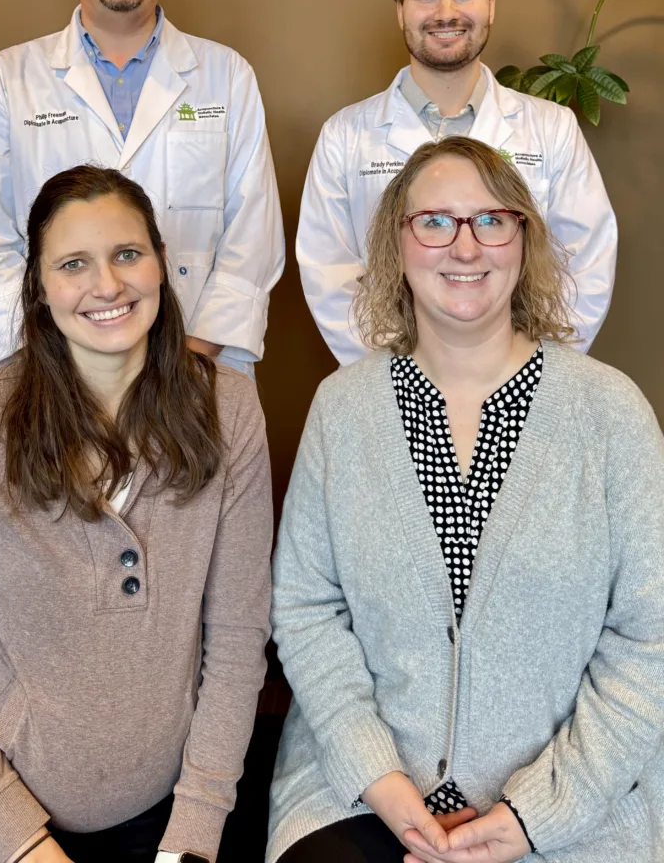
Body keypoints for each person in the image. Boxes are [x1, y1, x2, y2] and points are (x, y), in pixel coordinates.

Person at [268, 136, 664, 863]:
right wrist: (380, 780)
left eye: (491, 220)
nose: (465, 246)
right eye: (435, 221)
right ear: (397, 241)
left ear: (524, 237)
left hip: (573, 806)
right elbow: (305, 609)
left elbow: (651, 639)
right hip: (363, 793)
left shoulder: (611, 415)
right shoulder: (342, 412)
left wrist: (535, 815)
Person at [0, 166, 273, 863]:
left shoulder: (230, 411)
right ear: (39, 288)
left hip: (170, 810)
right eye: (75, 264)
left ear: (161, 262)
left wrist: (191, 837)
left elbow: (237, 643)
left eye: (128, 254)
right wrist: (26, 846)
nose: (107, 285)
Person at [0, 0, 284, 377]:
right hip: (58, 381)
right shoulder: (4, 81)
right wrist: (49, 370)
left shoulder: (227, 76)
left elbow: (253, 237)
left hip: (197, 369)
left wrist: (189, 361)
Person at [296, 0, 617, 366]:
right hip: (389, 385)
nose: (446, 11)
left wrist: (527, 371)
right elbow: (329, 275)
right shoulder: (344, 136)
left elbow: (586, 265)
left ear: (491, 4)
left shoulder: (552, 129)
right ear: (401, 10)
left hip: (525, 384)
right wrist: (402, 375)